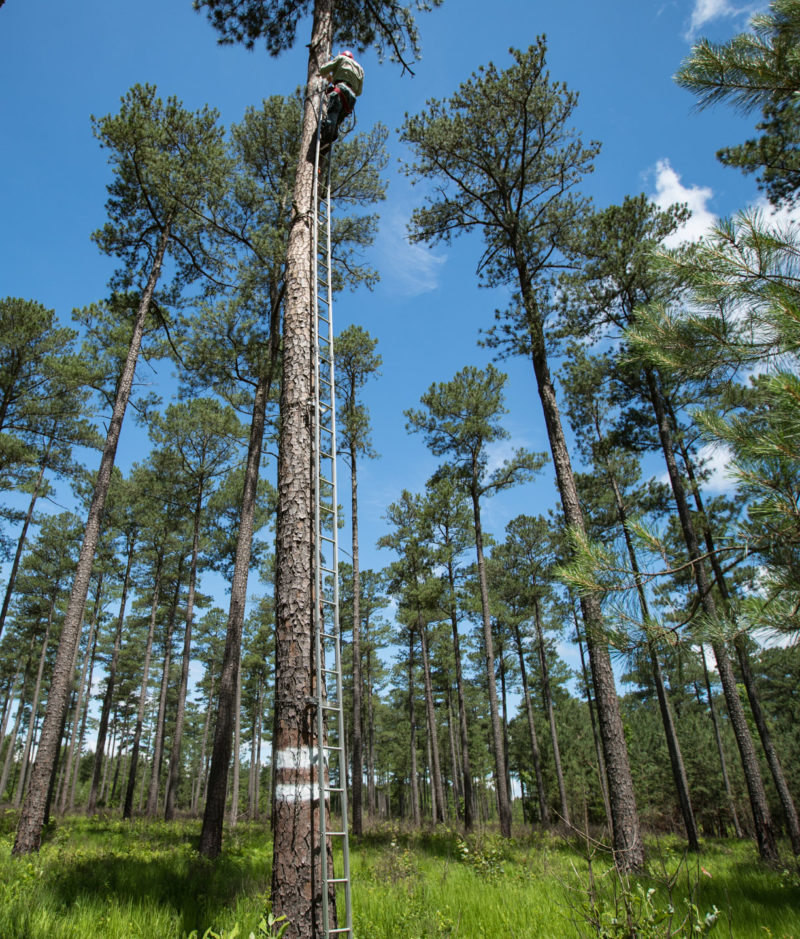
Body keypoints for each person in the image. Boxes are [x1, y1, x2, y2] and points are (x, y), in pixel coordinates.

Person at [317, 50, 364, 151]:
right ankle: (330, 139)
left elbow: (323, 70)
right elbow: (359, 92)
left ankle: (325, 140)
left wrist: (327, 74)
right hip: (351, 98)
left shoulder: (341, 58)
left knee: (332, 115)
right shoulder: (360, 69)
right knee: (337, 121)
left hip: (340, 89)